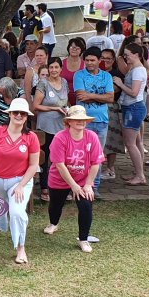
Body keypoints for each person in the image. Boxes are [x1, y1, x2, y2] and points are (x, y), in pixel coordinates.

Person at [0, 97, 40, 264]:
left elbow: (34, 165)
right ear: (10, 114)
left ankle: (21, 247)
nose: (19, 115)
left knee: (17, 212)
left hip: (19, 180)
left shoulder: (31, 138)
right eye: (16, 112)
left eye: (22, 113)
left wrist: (21, 185)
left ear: (27, 117)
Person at [44, 106, 104, 252]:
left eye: (83, 119)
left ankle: (84, 239)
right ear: (69, 122)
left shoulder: (92, 137)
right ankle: (53, 223)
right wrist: (73, 186)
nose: (80, 122)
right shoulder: (60, 137)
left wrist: (88, 184)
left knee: (85, 205)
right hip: (59, 179)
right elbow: (59, 165)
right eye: (76, 119)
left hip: (83, 179)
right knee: (55, 205)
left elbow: (96, 163)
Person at [73, 46, 114, 189]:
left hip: (102, 121)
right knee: (81, 155)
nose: (89, 63)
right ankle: (80, 185)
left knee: (97, 156)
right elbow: (80, 96)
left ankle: (94, 187)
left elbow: (110, 98)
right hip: (83, 122)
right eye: (87, 60)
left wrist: (90, 95)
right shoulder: (79, 75)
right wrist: (101, 98)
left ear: (99, 60)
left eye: (92, 60)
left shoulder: (107, 76)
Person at [112, 43, 148, 186]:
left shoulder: (138, 71)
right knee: (137, 142)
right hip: (132, 108)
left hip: (133, 108)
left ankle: (140, 175)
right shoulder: (135, 68)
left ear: (137, 55)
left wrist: (120, 84)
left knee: (130, 143)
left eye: (127, 54)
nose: (125, 57)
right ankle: (139, 172)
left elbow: (133, 92)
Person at [33, 57, 68, 201]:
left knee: (60, 157)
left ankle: (60, 185)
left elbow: (66, 100)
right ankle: (44, 187)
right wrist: (54, 108)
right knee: (45, 157)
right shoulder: (43, 83)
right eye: (51, 68)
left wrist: (66, 109)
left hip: (61, 125)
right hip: (46, 126)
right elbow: (36, 105)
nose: (53, 70)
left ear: (61, 69)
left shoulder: (64, 82)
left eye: (56, 67)